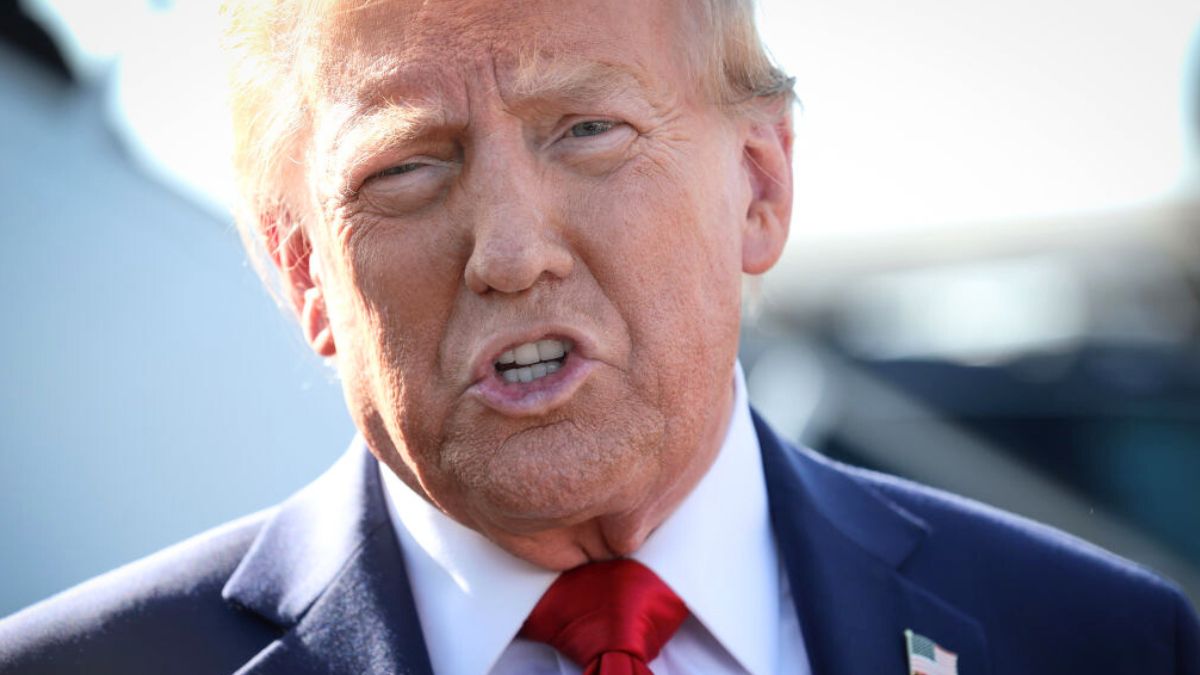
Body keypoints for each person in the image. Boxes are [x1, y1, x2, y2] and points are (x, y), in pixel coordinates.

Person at [1, 0, 1197, 673]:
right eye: (409, 168)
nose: (512, 250)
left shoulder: (1104, 644)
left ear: (761, 184)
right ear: (303, 270)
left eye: (587, 131)